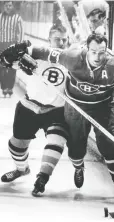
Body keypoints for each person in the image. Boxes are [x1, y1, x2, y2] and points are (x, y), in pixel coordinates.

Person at [0, 33, 114, 200]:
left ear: (107, 51)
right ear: (86, 49)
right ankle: (78, 167)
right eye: (93, 51)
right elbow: (40, 52)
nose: (97, 57)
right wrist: (18, 52)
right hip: (74, 108)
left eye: (102, 52)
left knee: (108, 146)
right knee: (76, 150)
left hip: (101, 109)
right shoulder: (71, 57)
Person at [0, 24, 70, 196]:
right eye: (57, 39)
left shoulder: (72, 61)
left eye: (64, 39)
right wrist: (7, 56)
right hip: (29, 106)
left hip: (56, 110)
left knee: (56, 141)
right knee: (16, 146)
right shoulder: (35, 55)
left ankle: (42, 178)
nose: (61, 43)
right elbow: (5, 62)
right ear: (48, 39)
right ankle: (21, 169)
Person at [0, 1, 24, 96]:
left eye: (10, 5)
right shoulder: (0, 17)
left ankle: (9, 88)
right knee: (2, 67)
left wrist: (19, 47)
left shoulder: (17, 18)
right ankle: (4, 87)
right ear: (3, 6)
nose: (8, 7)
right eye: (6, 6)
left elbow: (21, 33)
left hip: (12, 45)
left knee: (12, 67)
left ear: (12, 6)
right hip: (1, 44)